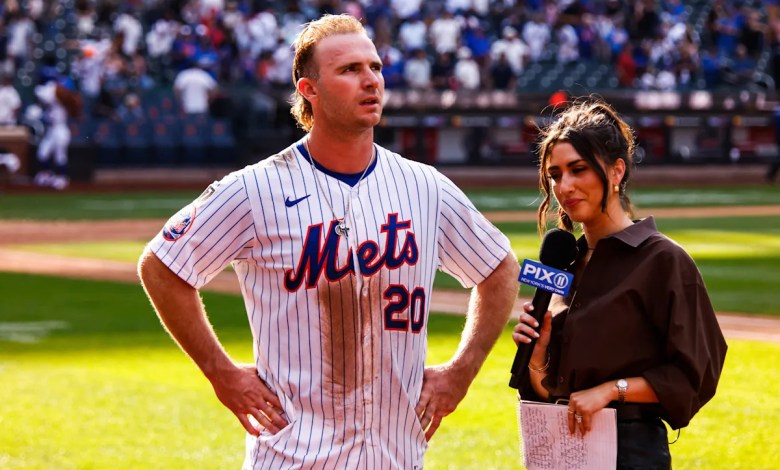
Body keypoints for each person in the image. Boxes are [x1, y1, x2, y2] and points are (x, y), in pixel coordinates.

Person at [138, 14, 519, 469]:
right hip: (294, 457)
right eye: (349, 70)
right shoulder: (255, 188)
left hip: (395, 458)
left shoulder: (425, 187)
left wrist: (461, 371)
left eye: (375, 67)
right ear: (309, 90)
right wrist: (221, 373)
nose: (370, 80)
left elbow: (499, 268)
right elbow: (162, 266)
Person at [512, 99, 727, 469]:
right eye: (555, 175)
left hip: (631, 452)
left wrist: (612, 390)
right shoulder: (565, 262)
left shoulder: (663, 260)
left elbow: (693, 376)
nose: (564, 186)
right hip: (561, 451)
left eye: (578, 169)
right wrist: (537, 359)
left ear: (616, 171)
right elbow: (551, 389)